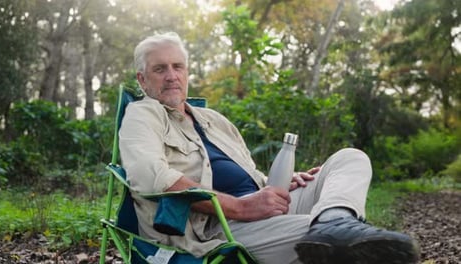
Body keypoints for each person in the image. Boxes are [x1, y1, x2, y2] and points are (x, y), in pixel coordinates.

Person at [118, 31, 419, 264]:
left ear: (186, 73)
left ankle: (334, 220)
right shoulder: (143, 114)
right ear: (142, 80)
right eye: (160, 69)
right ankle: (333, 226)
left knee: (349, 158)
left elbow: (249, 174)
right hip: (213, 226)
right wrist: (239, 206)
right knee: (329, 242)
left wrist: (277, 185)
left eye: (177, 67)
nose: (171, 76)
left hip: (260, 206)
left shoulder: (214, 120)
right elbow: (147, 174)